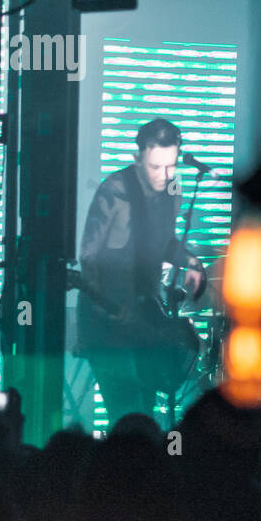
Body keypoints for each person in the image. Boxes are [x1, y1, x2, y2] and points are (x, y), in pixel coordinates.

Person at [76, 118, 205, 426]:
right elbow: (88, 255)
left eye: (171, 166)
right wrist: (104, 304)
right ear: (139, 157)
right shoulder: (114, 191)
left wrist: (192, 262)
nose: (164, 176)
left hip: (144, 319)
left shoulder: (173, 192)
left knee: (145, 411)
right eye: (155, 167)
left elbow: (162, 244)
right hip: (106, 323)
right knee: (128, 412)